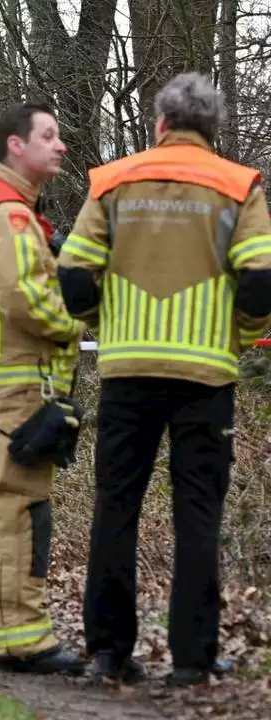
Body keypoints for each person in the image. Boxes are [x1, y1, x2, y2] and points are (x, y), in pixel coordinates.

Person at [57, 72, 271, 687]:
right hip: (206, 375)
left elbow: (73, 278)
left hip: (127, 371)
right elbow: (259, 281)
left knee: (115, 507)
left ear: (159, 125)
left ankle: (107, 651)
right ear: (213, 129)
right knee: (198, 514)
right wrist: (243, 333)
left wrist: (106, 320)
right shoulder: (239, 187)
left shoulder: (112, 182)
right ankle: (192, 659)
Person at [0, 102, 88, 675]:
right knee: (21, 505)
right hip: (20, 378)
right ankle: (23, 639)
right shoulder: (6, 212)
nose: (61, 146)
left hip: (4, 375)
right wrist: (78, 323)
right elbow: (24, 298)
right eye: (48, 136)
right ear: (15, 145)